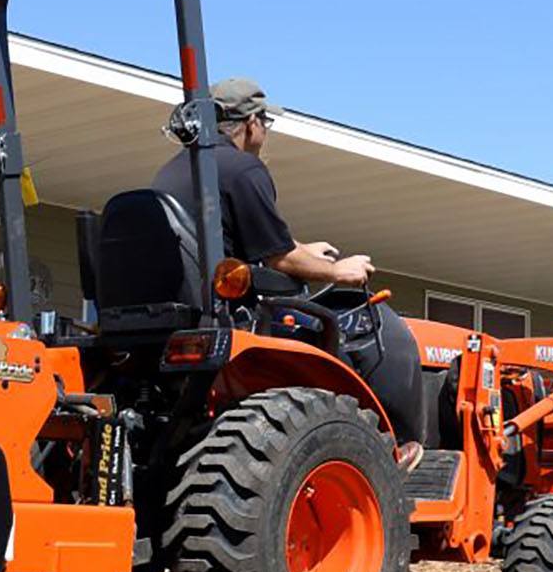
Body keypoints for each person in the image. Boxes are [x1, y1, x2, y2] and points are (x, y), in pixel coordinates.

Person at [153, 76, 426, 464]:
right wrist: (339, 272)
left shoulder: (177, 170)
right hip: (230, 316)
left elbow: (259, 242)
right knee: (357, 330)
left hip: (174, 314)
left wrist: (304, 250)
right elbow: (279, 261)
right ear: (252, 124)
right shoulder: (243, 169)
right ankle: (379, 448)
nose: (265, 133)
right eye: (266, 124)